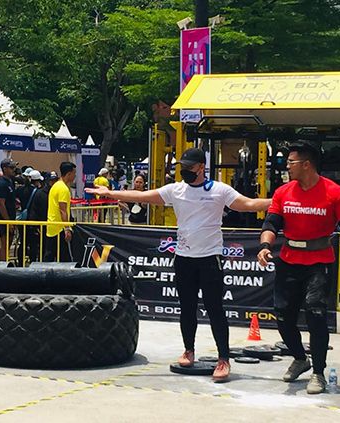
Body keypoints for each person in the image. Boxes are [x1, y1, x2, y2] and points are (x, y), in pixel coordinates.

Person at [87, 147, 270, 383]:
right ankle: (189, 350)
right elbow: (142, 197)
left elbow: (249, 204)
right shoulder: (176, 190)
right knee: (187, 307)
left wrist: (279, 201)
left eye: (188, 168)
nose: (183, 172)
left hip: (210, 258)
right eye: (181, 168)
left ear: (201, 168)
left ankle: (223, 358)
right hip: (184, 258)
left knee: (215, 309)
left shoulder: (219, 190)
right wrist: (111, 193)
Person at [257, 141, 340, 394]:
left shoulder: (335, 192)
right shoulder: (283, 192)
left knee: (316, 314)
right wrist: (264, 246)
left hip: (319, 261)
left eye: (291, 162)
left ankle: (318, 372)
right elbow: (271, 223)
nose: (287, 167)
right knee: (283, 315)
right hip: (288, 260)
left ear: (306, 164)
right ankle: (299, 358)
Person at [45, 162, 76, 262]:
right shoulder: (63, 189)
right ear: (69, 174)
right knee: (64, 258)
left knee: (50, 255)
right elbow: (63, 210)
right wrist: (67, 228)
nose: (75, 176)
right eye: (74, 173)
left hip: (52, 226)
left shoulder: (55, 186)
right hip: (59, 228)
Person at [0, 158, 18, 261]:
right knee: (5, 243)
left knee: (7, 244)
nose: (14, 170)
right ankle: (0, 266)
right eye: (11, 168)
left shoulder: (9, 182)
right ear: (4, 169)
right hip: (3, 219)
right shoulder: (1, 184)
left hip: (10, 218)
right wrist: (8, 221)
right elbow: (1, 204)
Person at [25, 170, 48, 263]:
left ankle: (27, 261)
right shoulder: (39, 193)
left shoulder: (22, 189)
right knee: (38, 244)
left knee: (26, 243)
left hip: (26, 220)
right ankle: (38, 262)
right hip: (37, 221)